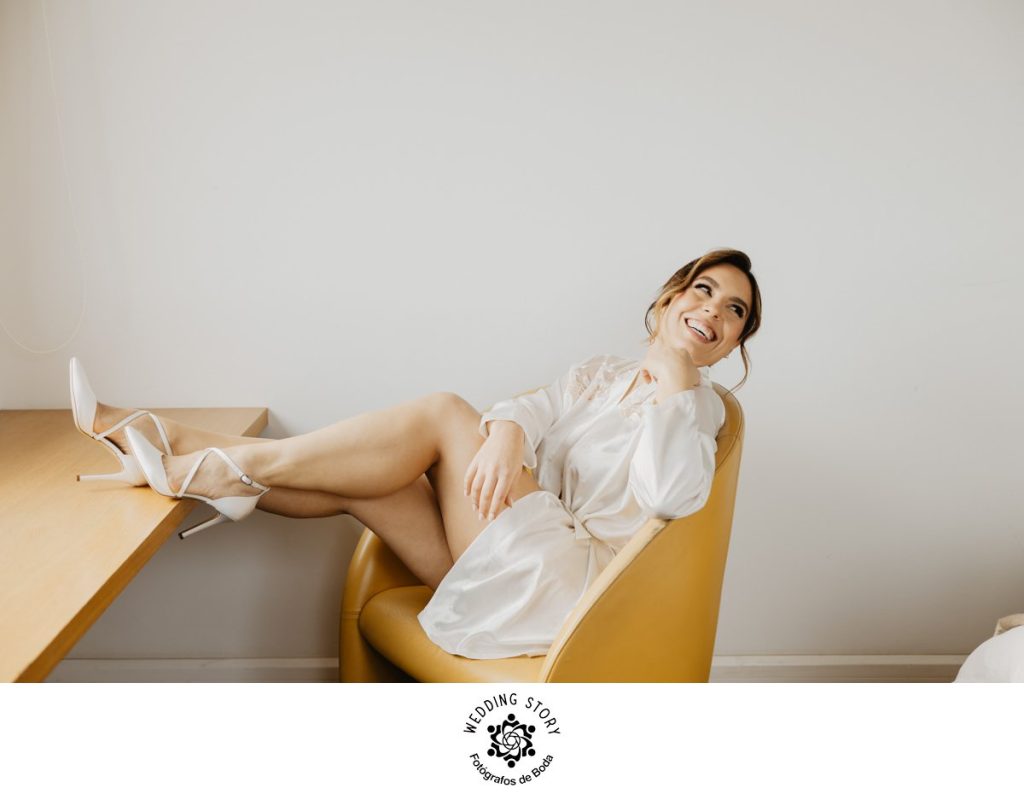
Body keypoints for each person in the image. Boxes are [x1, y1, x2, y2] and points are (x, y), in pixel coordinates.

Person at [70, 248, 762, 659]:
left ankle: (184, 454)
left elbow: (670, 499)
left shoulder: (700, 413)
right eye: (704, 290)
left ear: (732, 343)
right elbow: (531, 407)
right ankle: (190, 460)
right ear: (670, 298)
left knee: (442, 412)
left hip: (569, 587)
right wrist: (508, 433)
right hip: (515, 553)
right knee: (377, 486)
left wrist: (677, 383)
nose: (714, 310)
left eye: (734, 311)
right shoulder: (601, 373)